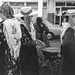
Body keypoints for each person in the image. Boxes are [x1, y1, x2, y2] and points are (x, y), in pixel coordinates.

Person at [0, 3, 22, 75]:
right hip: (16, 52)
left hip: (5, 54)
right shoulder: (16, 23)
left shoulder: (3, 25)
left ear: (3, 12)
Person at [20, 7, 39, 75]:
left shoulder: (31, 25)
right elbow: (25, 41)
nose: (32, 18)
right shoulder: (21, 26)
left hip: (33, 52)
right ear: (26, 16)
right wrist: (34, 42)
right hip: (26, 53)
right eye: (31, 16)